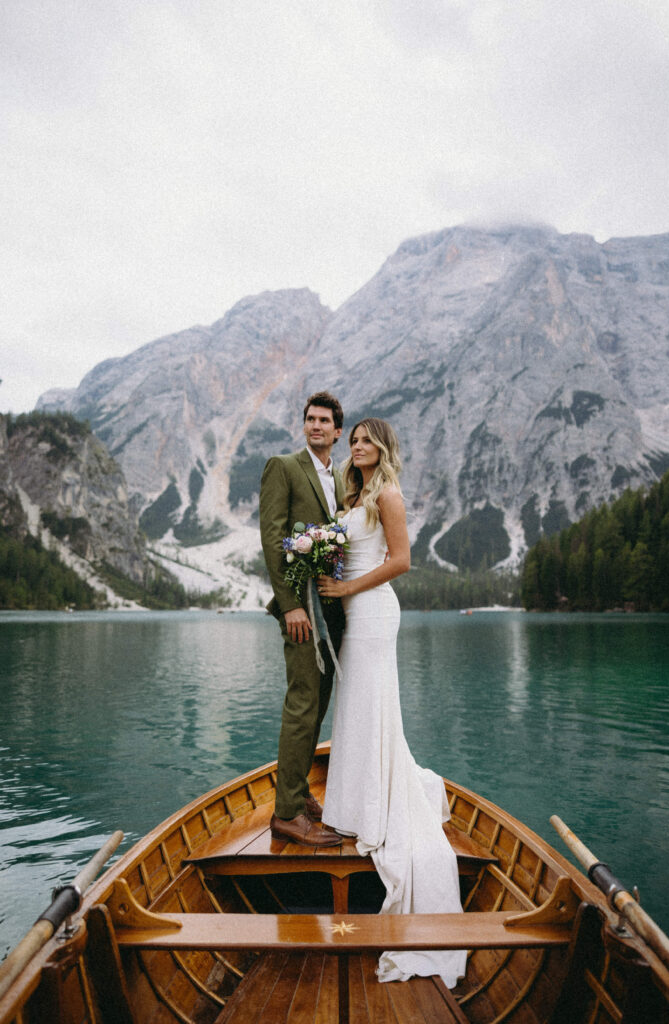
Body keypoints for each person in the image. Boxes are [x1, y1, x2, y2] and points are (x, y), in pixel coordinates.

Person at [317, 418, 467, 987]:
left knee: (371, 705)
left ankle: (377, 806)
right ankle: (359, 800)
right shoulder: (352, 495)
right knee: (356, 709)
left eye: (365, 440)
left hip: (375, 612)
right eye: (351, 440)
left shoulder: (389, 494)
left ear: (381, 448)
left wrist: (347, 588)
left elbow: (401, 561)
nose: (356, 446)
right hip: (355, 612)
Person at [259, 391, 346, 847]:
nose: (315, 426)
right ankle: (288, 814)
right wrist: (291, 604)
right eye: (309, 419)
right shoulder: (284, 467)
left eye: (323, 420)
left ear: (337, 431)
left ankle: (299, 790)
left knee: (318, 706)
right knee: (301, 705)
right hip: (302, 612)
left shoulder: (343, 478)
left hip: (333, 611)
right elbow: (274, 539)